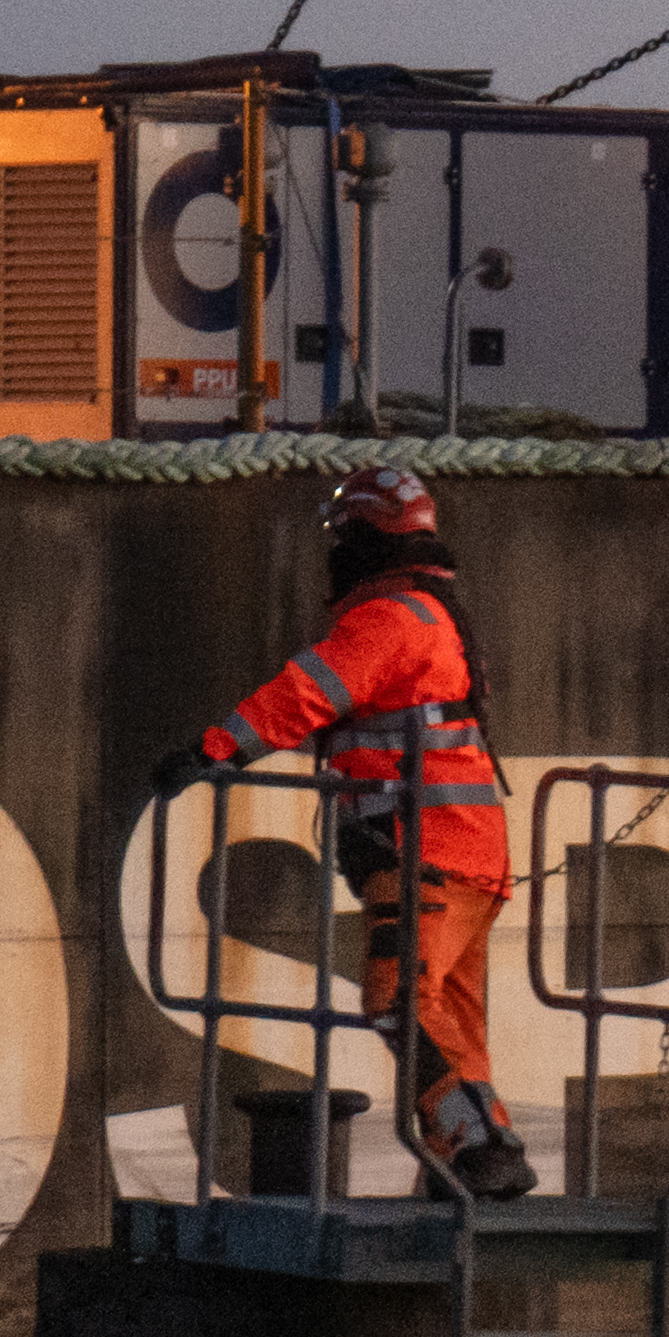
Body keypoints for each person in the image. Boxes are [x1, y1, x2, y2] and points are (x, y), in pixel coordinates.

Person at [186, 462, 528, 1196]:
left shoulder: (388, 619)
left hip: (419, 851)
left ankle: (479, 1147)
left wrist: (211, 751)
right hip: (468, 853)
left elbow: (308, 690)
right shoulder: (436, 616)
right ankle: (465, 1166)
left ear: (361, 540)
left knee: (398, 1002)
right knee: (449, 1017)